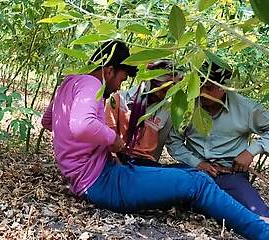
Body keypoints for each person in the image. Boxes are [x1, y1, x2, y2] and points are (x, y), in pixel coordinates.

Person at [41, 40, 269, 239]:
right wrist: (113, 140)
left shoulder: (69, 82)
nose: (120, 84)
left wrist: (75, 151)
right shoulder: (93, 85)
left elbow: (48, 120)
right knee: (198, 184)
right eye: (122, 77)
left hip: (96, 176)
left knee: (193, 177)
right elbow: (82, 125)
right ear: (109, 70)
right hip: (102, 181)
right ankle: (263, 232)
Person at [166, 61, 269, 218]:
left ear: (224, 87)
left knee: (260, 216)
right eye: (199, 85)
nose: (202, 92)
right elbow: (174, 141)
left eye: (209, 87)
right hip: (193, 171)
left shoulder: (246, 108)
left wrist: (251, 152)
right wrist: (198, 163)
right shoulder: (187, 105)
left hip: (230, 175)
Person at [105, 59, 182, 166]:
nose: (163, 96)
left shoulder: (167, 112)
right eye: (163, 90)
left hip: (144, 165)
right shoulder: (119, 99)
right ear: (151, 82)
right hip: (116, 159)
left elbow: (157, 150)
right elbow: (108, 136)